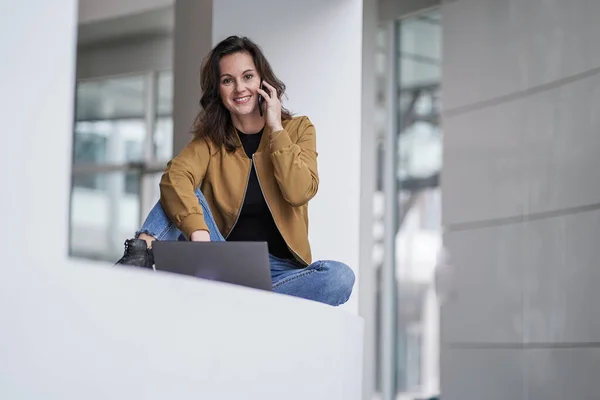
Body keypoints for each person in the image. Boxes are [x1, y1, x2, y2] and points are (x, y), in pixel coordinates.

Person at [116, 35, 354, 307]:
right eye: (228, 80)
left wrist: (276, 129)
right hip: (225, 260)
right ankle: (139, 255)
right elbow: (175, 178)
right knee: (180, 185)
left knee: (339, 278)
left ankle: (239, 301)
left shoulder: (298, 129)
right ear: (219, 90)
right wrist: (199, 233)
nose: (240, 88)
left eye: (248, 76)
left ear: (263, 80)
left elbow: (299, 191)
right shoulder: (210, 142)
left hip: (285, 270)